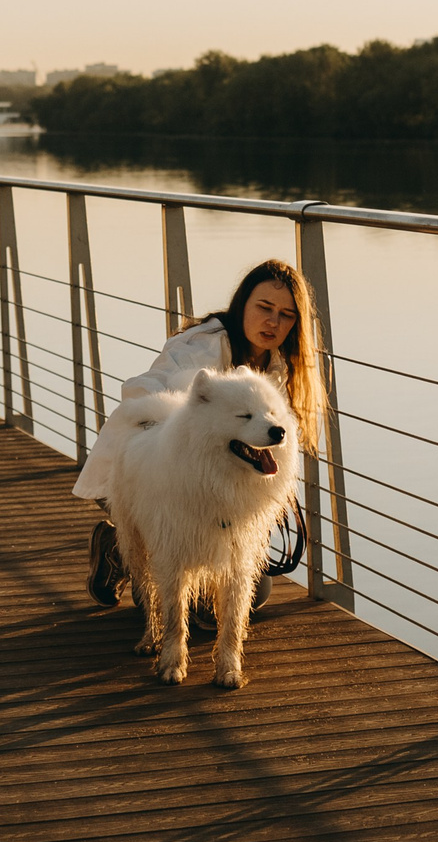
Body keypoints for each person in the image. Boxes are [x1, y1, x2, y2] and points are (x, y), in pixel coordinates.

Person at [78, 260, 326, 608]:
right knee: (174, 585)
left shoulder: (276, 366)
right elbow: (147, 391)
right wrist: (167, 444)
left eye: (286, 315)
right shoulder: (204, 346)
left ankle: (126, 548)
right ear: (242, 304)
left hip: (210, 495)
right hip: (145, 478)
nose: (273, 321)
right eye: (265, 307)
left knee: (252, 592)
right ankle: (120, 544)